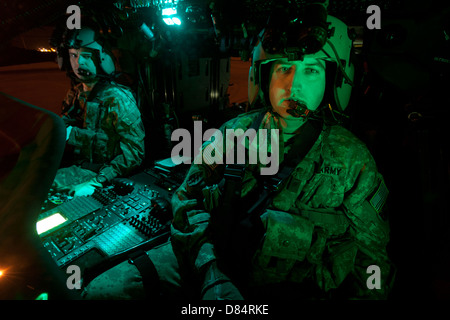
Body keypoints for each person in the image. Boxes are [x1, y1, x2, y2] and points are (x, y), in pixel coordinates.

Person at [82, 10, 394, 300]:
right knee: (102, 291)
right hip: (216, 258)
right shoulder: (234, 132)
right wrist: (211, 270)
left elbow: (372, 258)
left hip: (295, 285)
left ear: (332, 80)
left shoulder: (353, 159)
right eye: (283, 69)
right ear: (264, 77)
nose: (293, 85)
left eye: (311, 71)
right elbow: (185, 201)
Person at [52, 26, 145, 197]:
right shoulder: (75, 94)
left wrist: (97, 182)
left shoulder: (118, 98)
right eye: (74, 55)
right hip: (78, 169)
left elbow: (134, 153)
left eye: (87, 56)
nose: (79, 63)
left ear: (101, 59)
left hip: (104, 175)